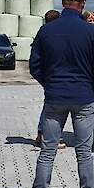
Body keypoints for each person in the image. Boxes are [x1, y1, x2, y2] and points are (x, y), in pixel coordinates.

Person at [21, 0, 94, 188]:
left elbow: (35, 66)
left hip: (54, 98)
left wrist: (49, 84)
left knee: (47, 152)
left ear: (63, 3)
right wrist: (90, 87)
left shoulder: (46, 31)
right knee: (84, 153)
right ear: (82, 3)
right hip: (83, 98)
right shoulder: (92, 32)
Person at [34, 9, 67, 149]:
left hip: (48, 76)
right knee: (54, 111)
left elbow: (35, 62)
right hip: (56, 75)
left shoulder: (42, 32)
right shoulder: (55, 34)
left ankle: (41, 135)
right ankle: (50, 138)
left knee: (48, 107)